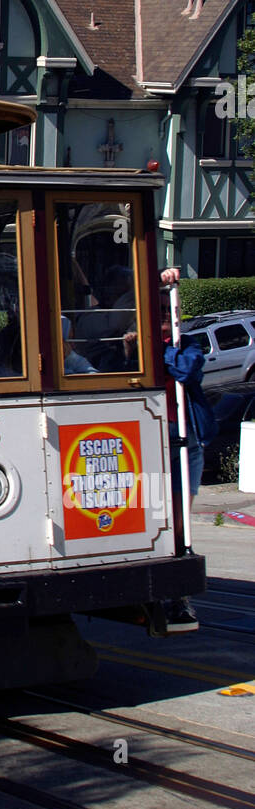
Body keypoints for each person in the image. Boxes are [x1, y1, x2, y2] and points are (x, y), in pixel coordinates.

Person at [157, 268, 217, 633]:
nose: (165, 320)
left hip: (186, 440)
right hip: (152, 440)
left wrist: (159, 348)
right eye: (160, 313)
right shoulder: (138, 346)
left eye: (169, 313)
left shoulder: (187, 344)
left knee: (180, 518)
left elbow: (185, 370)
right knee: (154, 514)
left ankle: (177, 594)